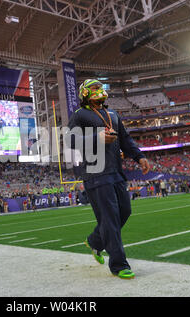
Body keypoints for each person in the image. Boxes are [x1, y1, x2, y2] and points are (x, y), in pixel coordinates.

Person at [67, 79, 150, 279]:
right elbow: (71, 141)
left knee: (125, 211)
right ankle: (119, 265)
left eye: (100, 87)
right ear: (84, 93)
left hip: (116, 172)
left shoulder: (113, 114)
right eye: (94, 88)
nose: (99, 90)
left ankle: (95, 241)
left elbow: (125, 139)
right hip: (95, 174)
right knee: (110, 218)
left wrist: (139, 156)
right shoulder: (79, 115)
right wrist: (97, 138)